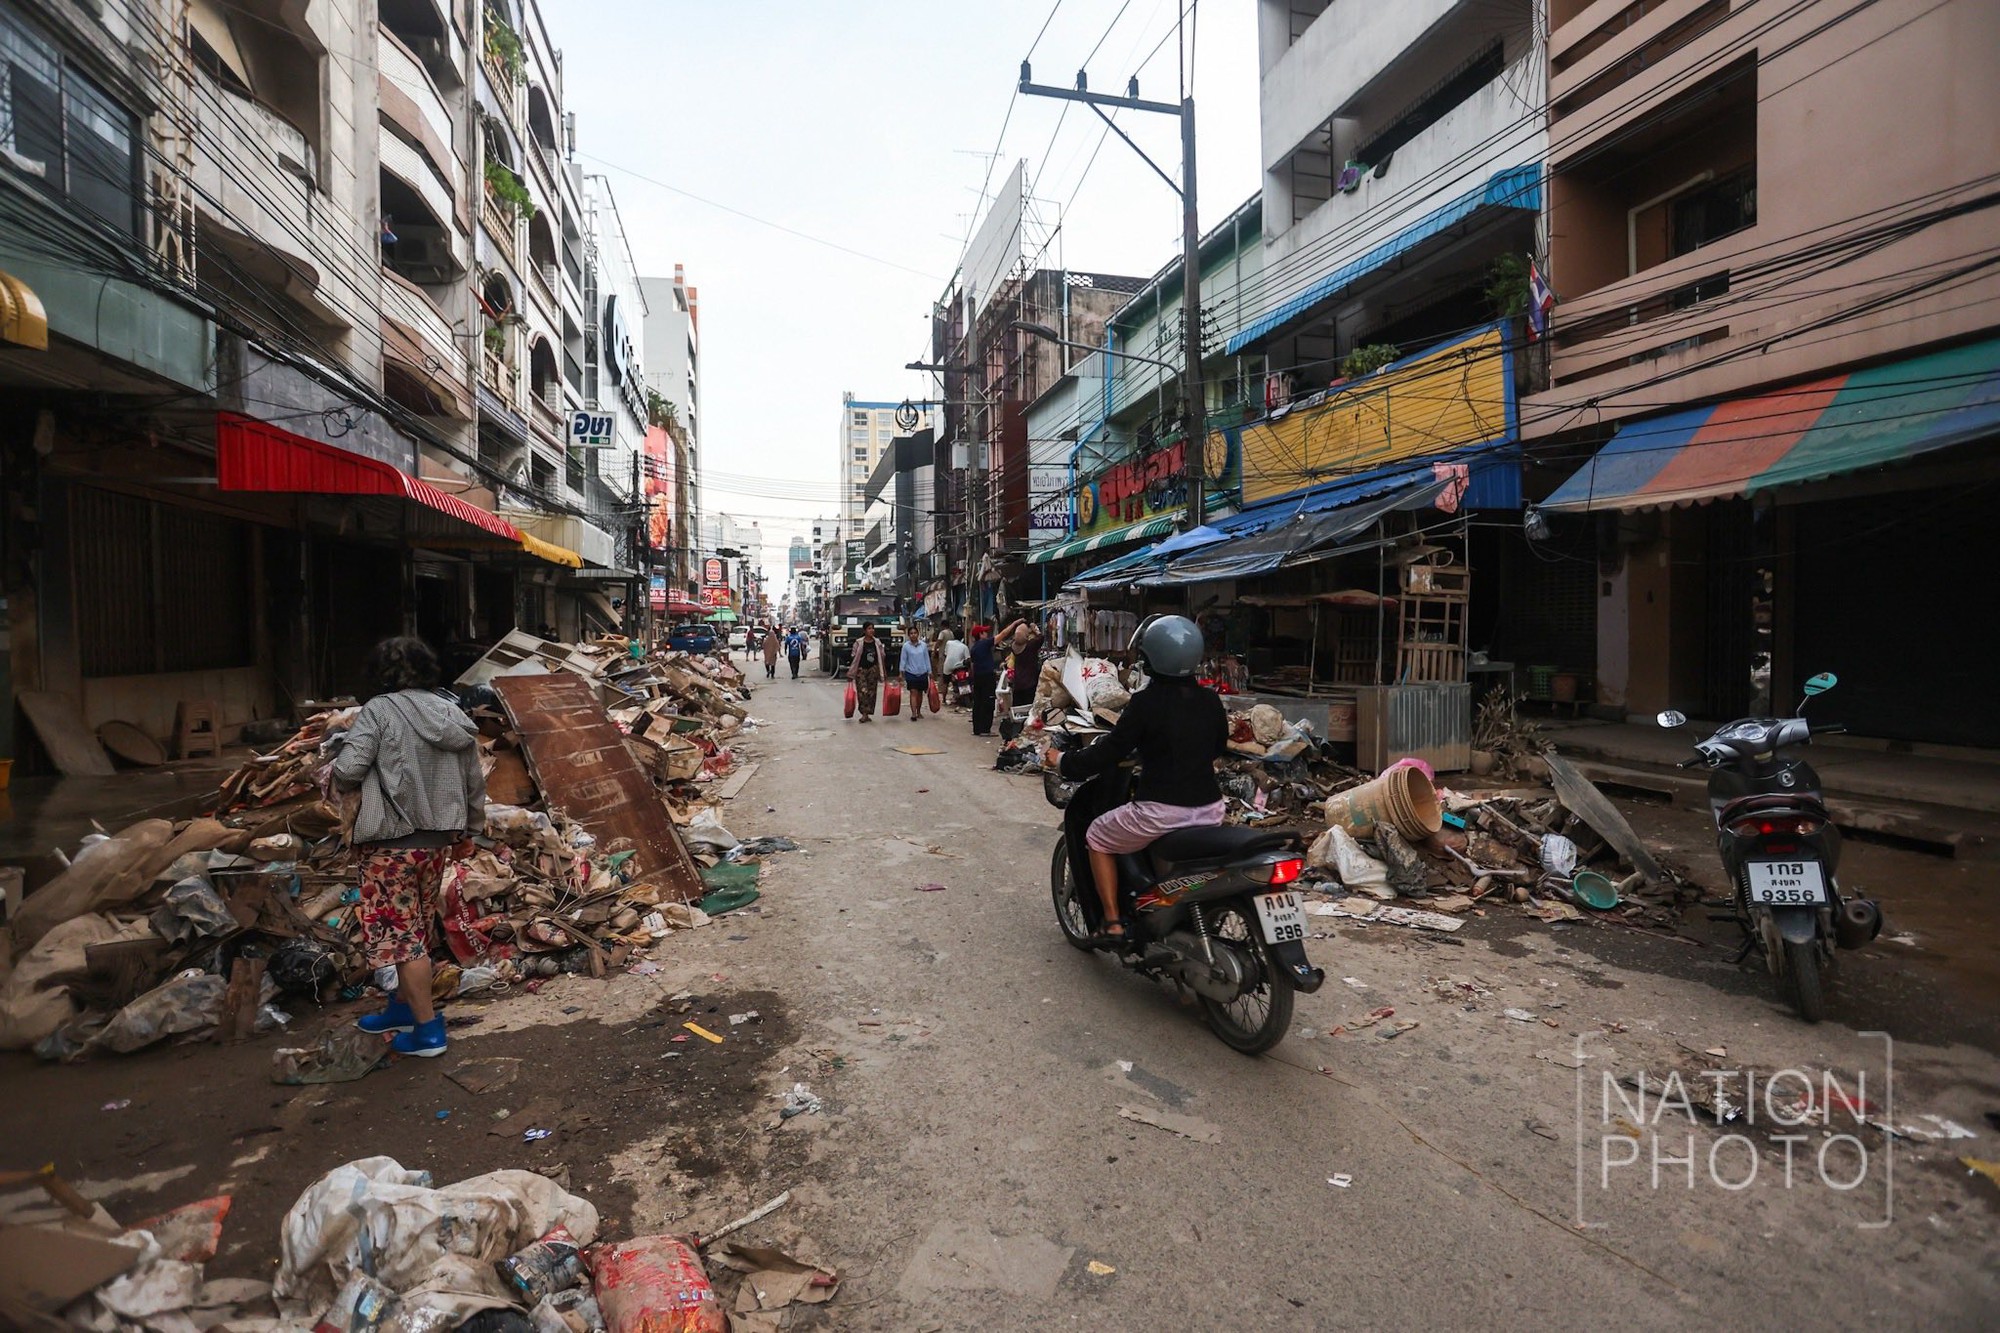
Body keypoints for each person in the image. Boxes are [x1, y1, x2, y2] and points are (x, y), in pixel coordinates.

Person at [331, 636, 487, 1057]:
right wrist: (469, 832)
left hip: (390, 845)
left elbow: (348, 770)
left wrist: (334, 767)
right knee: (416, 926)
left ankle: (427, 1031)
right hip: (436, 843)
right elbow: (475, 781)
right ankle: (400, 1007)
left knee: (402, 938)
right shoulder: (450, 712)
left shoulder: (379, 711)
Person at [1045, 616, 1226, 945]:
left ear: (1151, 658)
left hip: (1163, 812)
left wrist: (1064, 761)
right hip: (1211, 810)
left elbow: (1110, 752)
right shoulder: (1210, 700)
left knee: (1098, 835)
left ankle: (1112, 921)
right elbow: (1216, 747)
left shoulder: (1146, 702)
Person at [850, 623, 886, 723]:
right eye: (869, 629)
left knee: (872, 692)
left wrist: (883, 671)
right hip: (861, 670)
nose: (872, 630)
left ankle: (867, 713)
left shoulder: (877, 642)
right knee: (862, 692)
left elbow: (882, 656)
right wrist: (852, 671)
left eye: (873, 628)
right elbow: (854, 656)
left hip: (873, 670)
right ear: (865, 631)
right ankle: (864, 713)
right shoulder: (859, 642)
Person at [968, 624, 999, 736]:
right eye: (984, 632)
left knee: (978, 702)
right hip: (987, 677)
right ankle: (985, 730)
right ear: (980, 635)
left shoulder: (974, 647)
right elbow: (1002, 635)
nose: (987, 634)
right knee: (988, 702)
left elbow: (972, 665)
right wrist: (1014, 624)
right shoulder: (985, 643)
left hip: (978, 677)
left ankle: (977, 729)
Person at [900, 625, 932, 721]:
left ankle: (919, 711)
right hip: (911, 672)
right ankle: (913, 713)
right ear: (909, 635)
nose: (913, 635)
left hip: (922, 672)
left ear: (918, 634)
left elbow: (927, 659)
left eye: (915, 633)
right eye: (911, 633)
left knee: (920, 693)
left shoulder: (923, 646)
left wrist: (930, 671)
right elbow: (903, 660)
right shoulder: (906, 646)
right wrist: (901, 673)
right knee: (913, 692)